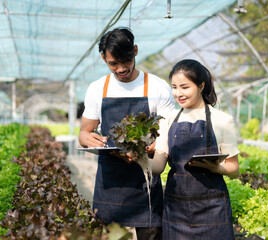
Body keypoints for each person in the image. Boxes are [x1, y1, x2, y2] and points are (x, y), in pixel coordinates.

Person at [79, 27, 175, 239]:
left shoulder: (158, 87)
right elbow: (84, 133)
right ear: (104, 58)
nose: (121, 68)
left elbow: (168, 131)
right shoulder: (98, 88)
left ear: (136, 51)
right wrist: (89, 139)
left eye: (126, 61)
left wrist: (156, 146)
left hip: (146, 181)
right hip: (110, 181)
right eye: (114, 63)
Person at [148, 59, 239, 239]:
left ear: (201, 86)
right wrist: (139, 159)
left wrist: (216, 168)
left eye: (184, 87)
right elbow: (158, 165)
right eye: (174, 87)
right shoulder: (168, 119)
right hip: (176, 208)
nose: (178, 93)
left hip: (213, 208)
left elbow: (234, 169)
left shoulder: (222, 120)